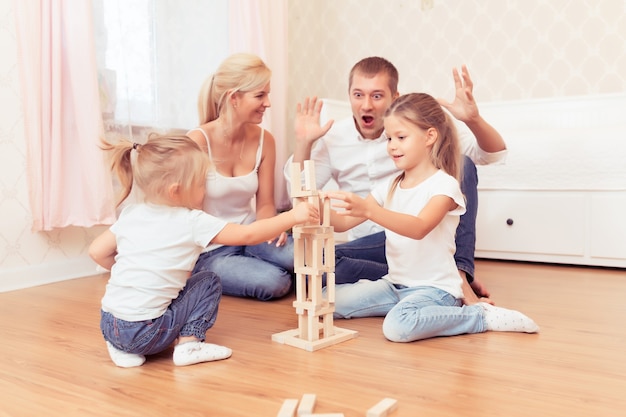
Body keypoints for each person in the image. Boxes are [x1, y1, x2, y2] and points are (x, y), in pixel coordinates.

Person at [285, 57, 506, 303]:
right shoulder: (333, 138)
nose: (366, 105)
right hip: (375, 244)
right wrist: (304, 145)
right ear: (349, 95)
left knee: (464, 164)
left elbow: (492, 154)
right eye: (358, 95)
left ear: (395, 97)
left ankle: (459, 275)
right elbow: (303, 193)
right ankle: (427, 282)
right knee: (320, 267)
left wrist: (472, 119)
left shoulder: (418, 130)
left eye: (377, 96)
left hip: (420, 231)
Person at [323, 93, 538, 342]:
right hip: (394, 284)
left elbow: (419, 227)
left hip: (436, 289)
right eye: (389, 138)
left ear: (430, 136)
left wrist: (369, 210)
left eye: (401, 137)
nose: (392, 145)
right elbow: (344, 222)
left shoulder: (444, 186)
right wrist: (317, 209)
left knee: (398, 327)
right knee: (328, 299)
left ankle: (480, 316)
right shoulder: (390, 185)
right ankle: (414, 311)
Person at [89, 134, 318, 368]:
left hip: (109, 324)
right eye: (201, 183)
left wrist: (136, 275)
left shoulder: (132, 213)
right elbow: (248, 235)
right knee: (207, 281)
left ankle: (122, 347)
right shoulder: (192, 221)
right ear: (175, 191)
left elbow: (96, 252)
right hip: (150, 331)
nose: (205, 190)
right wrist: (292, 216)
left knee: (152, 306)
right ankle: (189, 344)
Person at [187, 53, 295, 301]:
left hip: (252, 234)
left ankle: (263, 263)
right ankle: (210, 275)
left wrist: (271, 226)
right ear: (234, 98)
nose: (267, 103)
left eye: (267, 94)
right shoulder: (197, 142)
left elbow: (266, 204)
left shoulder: (264, 140)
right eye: (260, 95)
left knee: (304, 257)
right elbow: (190, 217)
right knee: (274, 282)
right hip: (212, 251)